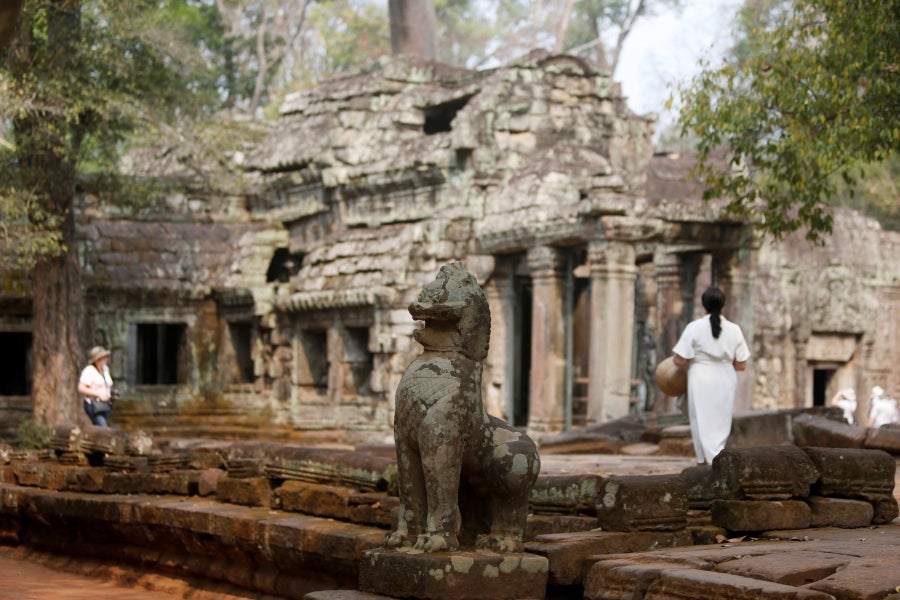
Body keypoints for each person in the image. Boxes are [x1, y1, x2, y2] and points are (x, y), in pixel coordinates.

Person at [671, 286, 750, 465]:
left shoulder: (694, 327)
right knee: (720, 421)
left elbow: (679, 361)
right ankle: (718, 458)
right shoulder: (734, 329)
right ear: (723, 305)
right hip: (726, 378)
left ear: (703, 305)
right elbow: (741, 364)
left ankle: (703, 461)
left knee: (700, 420)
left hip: (700, 377)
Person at [77, 346, 115, 427]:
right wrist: (98, 395)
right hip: (93, 404)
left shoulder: (105, 369)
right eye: (103, 357)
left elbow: (107, 385)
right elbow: (81, 388)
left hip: (105, 404)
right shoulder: (89, 370)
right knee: (103, 428)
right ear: (97, 359)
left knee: (99, 428)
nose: (105, 359)